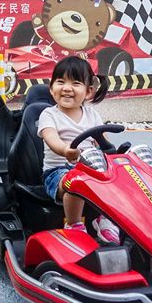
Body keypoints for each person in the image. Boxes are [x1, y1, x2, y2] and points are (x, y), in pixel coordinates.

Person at [37, 55, 121, 244]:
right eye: (60, 82)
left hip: (88, 169)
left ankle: (106, 220)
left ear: (89, 91)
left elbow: (103, 143)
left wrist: (115, 156)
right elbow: (52, 139)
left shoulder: (92, 115)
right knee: (76, 181)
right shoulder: (49, 114)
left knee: (117, 176)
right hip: (57, 174)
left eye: (75, 83)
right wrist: (65, 150)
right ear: (51, 88)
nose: (67, 88)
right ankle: (74, 225)